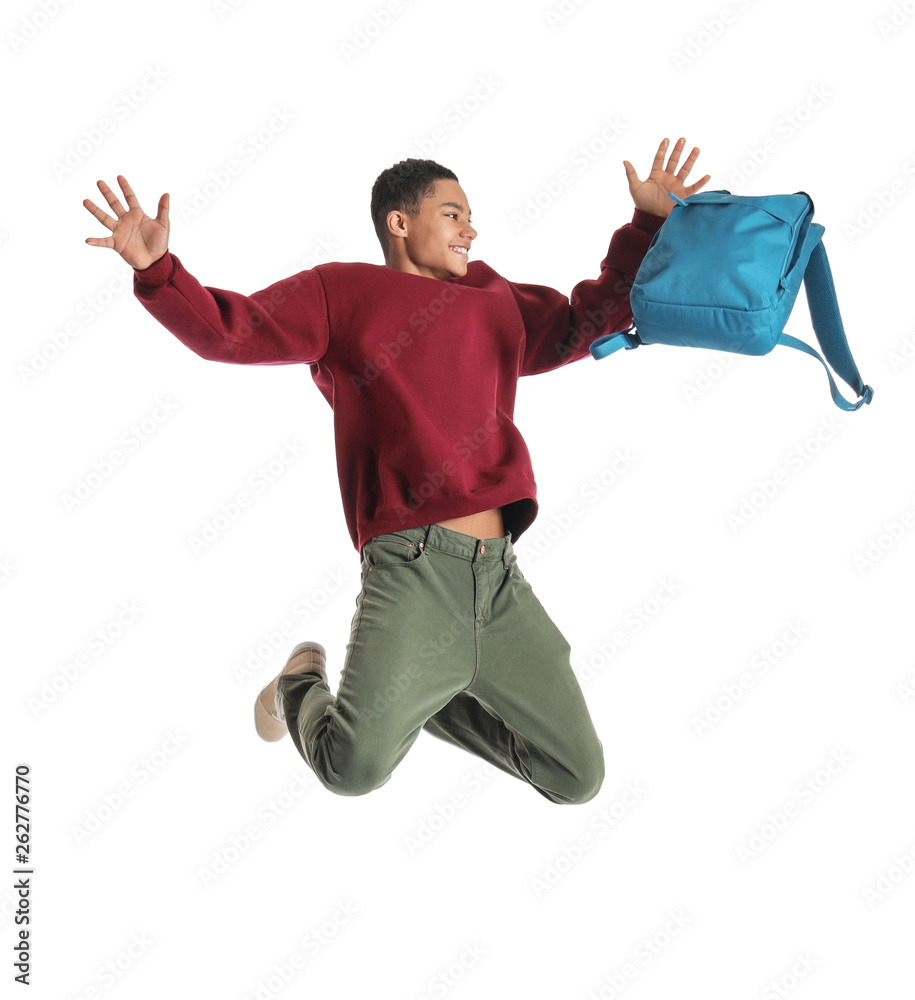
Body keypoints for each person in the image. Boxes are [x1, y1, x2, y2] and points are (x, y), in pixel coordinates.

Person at [82, 138, 709, 804]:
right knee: (353, 770)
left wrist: (646, 225)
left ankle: (423, 695)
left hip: (497, 578)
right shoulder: (343, 293)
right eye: (451, 213)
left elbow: (586, 321)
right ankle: (299, 682)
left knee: (575, 776)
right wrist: (158, 270)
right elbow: (230, 332)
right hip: (410, 567)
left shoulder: (494, 298)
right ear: (399, 223)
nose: (469, 228)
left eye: (469, 216)